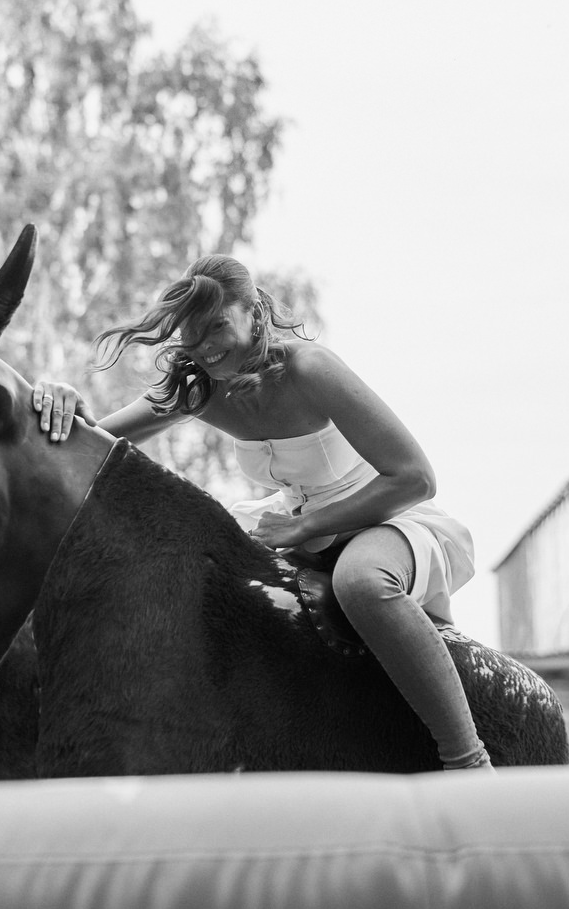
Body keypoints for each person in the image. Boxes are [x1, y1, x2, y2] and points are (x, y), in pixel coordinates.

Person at [32, 255, 490, 771]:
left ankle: (469, 759)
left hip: (384, 516)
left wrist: (305, 526)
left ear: (253, 310)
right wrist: (58, 396)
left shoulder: (310, 368)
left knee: (361, 584)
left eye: (218, 326)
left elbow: (415, 478)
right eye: (192, 336)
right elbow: (96, 439)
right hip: (294, 522)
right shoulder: (199, 388)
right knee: (192, 570)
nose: (206, 347)